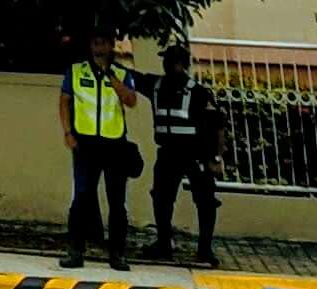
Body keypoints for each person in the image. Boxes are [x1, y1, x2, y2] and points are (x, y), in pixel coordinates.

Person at [60, 36, 138, 270]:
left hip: (114, 145)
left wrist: (110, 77)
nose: (99, 48)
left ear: (110, 47)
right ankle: (75, 251)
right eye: (95, 43)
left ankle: (117, 254)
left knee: (117, 201)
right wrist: (68, 132)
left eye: (104, 44)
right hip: (85, 144)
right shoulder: (75, 71)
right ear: (90, 46)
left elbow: (131, 101)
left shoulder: (121, 74)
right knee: (81, 198)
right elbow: (64, 102)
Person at [148, 38, 225, 268]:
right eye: (166, 62)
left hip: (195, 154)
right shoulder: (157, 86)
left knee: (206, 201)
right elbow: (133, 78)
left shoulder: (198, 93)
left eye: (171, 62)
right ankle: (163, 244)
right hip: (168, 152)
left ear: (182, 65)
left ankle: (204, 249)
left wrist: (216, 158)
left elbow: (217, 125)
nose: (167, 67)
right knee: (161, 197)